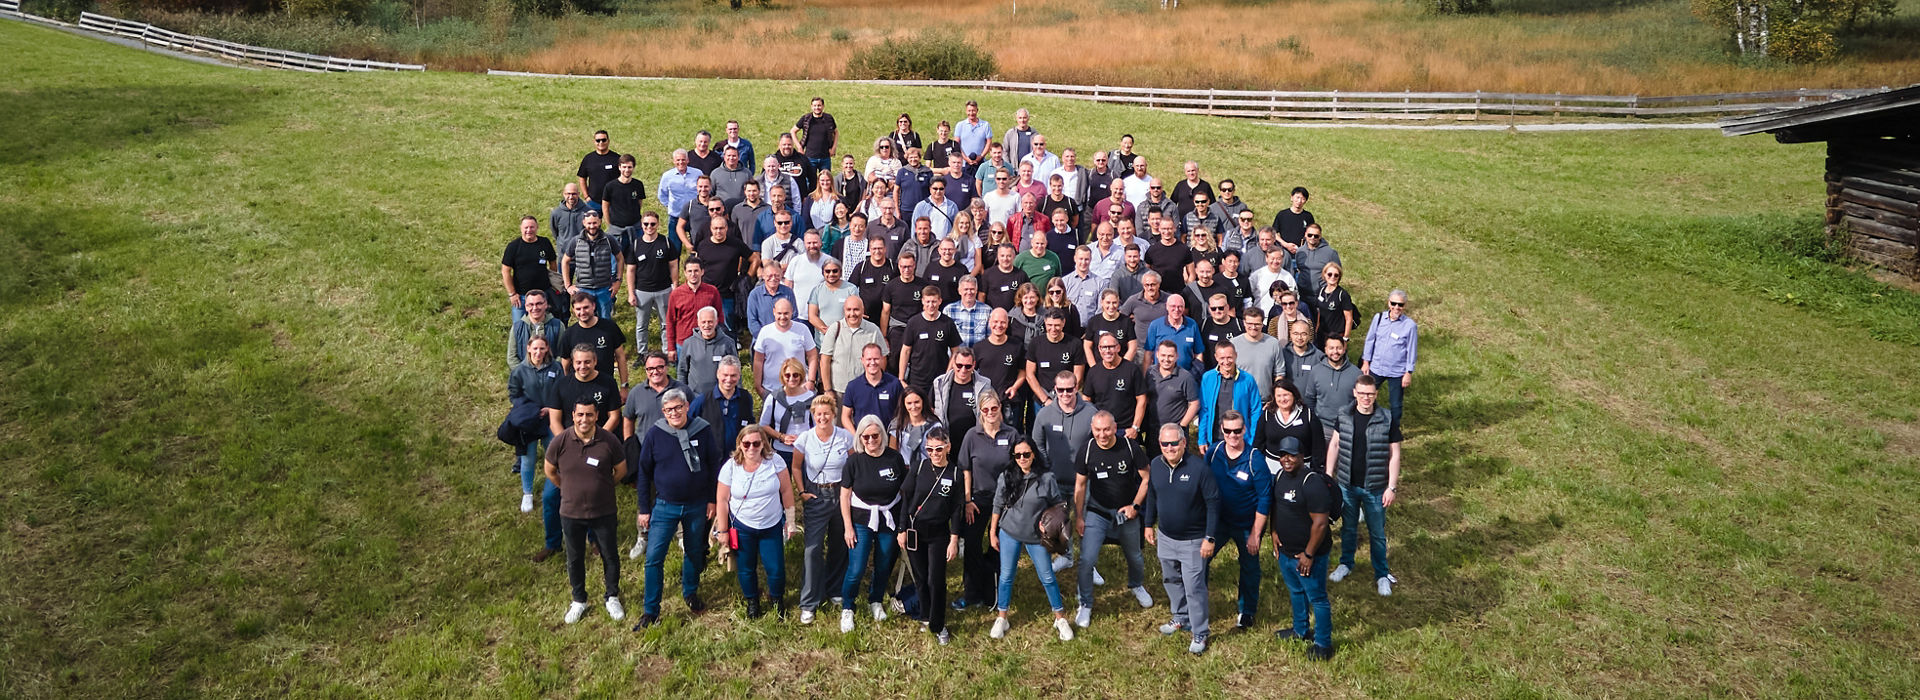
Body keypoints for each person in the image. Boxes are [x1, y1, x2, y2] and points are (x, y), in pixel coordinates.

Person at [631, 389, 722, 629]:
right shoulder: (655, 434)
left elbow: (714, 465)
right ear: (663, 412)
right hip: (664, 506)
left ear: (687, 407)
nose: (674, 413)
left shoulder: (702, 430)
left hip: (697, 505)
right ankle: (651, 610)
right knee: (654, 558)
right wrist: (644, 508)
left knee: (693, 551)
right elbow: (644, 473)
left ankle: (690, 593)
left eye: (678, 407)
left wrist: (712, 499)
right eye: (669, 409)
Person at [536, 345, 623, 564]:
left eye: (587, 362)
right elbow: (555, 420)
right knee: (550, 496)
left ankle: (595, 540)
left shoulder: (607, 383)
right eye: (578, 362)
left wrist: (598, 440)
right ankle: (552, 543)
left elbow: (614, 416)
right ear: (572, 363)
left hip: (597, 446)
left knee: (594, 494)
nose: (582, 366)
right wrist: (565, 444)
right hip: (567, 448)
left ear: (595, 361)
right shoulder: (562, 385)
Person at [547, 397, 629, 625]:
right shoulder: (561, 441)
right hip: (571, 513)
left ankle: (612, 596)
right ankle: (579, 599)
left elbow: (621, 470)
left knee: (610, 555)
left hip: (604, 511)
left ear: (597, 416)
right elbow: (550, 470)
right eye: (580, 415)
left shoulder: (609, 440)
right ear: (573, 416)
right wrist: (567, 488)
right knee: (574, 558)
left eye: (589, 415)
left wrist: (604, 487)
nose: (585, 419)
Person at [1069, 411, 1153, 628]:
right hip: (1097, 512)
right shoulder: (1087, 450)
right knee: (1087, 560)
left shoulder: (1130, 448)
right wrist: (1079, 516)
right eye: (1098, 430)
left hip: (1126, 514)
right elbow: (1080, 485)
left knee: (1135, 556)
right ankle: (1085, 603)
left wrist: (1135, 506)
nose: (1102, 434)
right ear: (1092, 429)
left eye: (1107, 429)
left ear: (1115, 428)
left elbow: (1147, 478)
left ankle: (1136, 585)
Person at [987, 436, 1075, 641]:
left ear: (1034, 454)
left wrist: (1050, 522)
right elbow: (997, 504)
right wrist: (992, 532)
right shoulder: (1007, 476)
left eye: (1026, 454)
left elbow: (1058, 504)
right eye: (1017, 455)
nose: (1022, 458)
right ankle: (1002, 617)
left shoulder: (1047, 478)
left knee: (1047, 577)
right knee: (1006, 576)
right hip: (1009, 532)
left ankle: (1060, 618)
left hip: (1036, 537)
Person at [1144, 424, 1219, 655]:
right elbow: (1152, 496)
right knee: (1171, 579)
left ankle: (1200, 632)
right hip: (1166, 536)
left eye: (1174, 443)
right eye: (1164, 444)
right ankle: (1181, 617)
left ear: (1184, 443)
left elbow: (1213, 503)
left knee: (1194, 587)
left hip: (1194, 541)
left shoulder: (1199, 468)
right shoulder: (1156, 465)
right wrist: (1148, 524)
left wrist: (1210, 537)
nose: (1169, 448)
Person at [1327, 376, 1403, 597]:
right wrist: (1328, 476)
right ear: (1355, 393)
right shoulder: (1344, 414)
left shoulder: (1387, 418)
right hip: (1347, 485)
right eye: (1362, 393)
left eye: (1370, 393)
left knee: (1377, 533)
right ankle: (1346, 564)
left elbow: (1395, 455)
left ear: (1376, 394)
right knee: (1348, 528)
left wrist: (1391, 487)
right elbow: (1335, 444)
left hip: (1376, 487)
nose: (1366, 397)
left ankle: (1381, 574)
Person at [713, 425, 797, 619]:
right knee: (746, 568)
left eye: (756, 443)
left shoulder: (775, 461)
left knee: (776, 568)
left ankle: (777, 600)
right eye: (747, 444)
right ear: (740, 445)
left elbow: (786, 491)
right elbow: (722, 500)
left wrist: (791, 521)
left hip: (771, 525)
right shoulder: (730, 467)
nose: (751, 448)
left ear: (763, 444)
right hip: (743, 527)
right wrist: (723, 531)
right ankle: (752, 602)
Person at [839, 415, 909, 633]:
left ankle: (875, 600)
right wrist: (848, 527)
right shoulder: (854, 461)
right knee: (857, 567)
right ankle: (848, 606)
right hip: (861, 520)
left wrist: (903, 525)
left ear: (882, 435)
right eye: (866, 437)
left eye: (875, 436)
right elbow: (844, 496)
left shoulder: (894, 458)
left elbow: (904, 491)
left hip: (889, 519)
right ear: (860, 437)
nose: (871, 440)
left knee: (884, 564)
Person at [1268, 436, 1334, 660]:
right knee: (1296, 591)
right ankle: (1300, 630)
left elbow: (1321, 523)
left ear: (1302, 456)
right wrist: (1273, 532)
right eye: (1283, 455)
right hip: (1286, 552)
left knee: (1317, 598)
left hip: (1309, 555)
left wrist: (1308, 554)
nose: (1286, 459)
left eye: (1292, 455)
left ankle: (1323, 644)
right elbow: (1276, 507)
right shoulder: (1279, 476)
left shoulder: (1311, 483)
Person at [1203, 410, 1270, 630]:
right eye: (1228, 431)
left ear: (1245, 430)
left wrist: (1255, 534)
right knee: (1201, 560)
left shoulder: (1255, 459)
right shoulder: (1213, 453)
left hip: (1246, 524)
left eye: (1237, 431)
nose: (1233, 435)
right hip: (1219, 522)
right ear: (1221, 430)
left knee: (1249, 567)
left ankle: (1246, 611)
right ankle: (1199, 603)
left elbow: (1264, 498)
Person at [898, 427, 966, 644]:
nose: (934, 453)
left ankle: (939, 625)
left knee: (935, 580)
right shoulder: (918, 467)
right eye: (929, 449)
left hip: (938, 533)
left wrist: (954, 539)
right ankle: (925, 616)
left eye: (938, 449)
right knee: (920, 578)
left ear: (948, 447)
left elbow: (957, 509)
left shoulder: (955, 473)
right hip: (914, 531)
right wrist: (901, 529)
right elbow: (906, 500)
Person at [792, 395, 853, 623]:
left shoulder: (845, 437)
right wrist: (801, 491)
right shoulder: (805, 439)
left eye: (827, 413)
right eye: (818, 414)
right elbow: (796, 466)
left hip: (840, 494)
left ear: (834, 414)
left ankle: (834, 588)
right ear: (813, 415)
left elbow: (853, 465)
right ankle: (809, 601)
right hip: (816, 495)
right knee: (812, 549)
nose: (823, 417)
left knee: (839, 544)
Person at [956, 390, 1017, 609]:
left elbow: (1018, 468)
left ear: (1000, 408)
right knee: (972, 546)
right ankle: (972, 593)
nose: (990, 412)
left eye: (994, 408)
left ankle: (994, 592)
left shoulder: (1011, 434)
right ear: (980, 411)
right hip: (978, 500)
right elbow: (965, 469)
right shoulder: (972, 436)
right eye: (986, 409)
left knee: (998, 546)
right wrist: (967, 500)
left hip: (1004, 501)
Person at [510, 336, 562, 514]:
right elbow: (514, 394)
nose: (538, 352)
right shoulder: (519, 371)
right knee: (528, 458)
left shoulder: (556, 368)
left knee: (553, 455)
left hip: (551, 419)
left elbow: (561, 391)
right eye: (535, 348)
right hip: (530, 421)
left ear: (547, 349)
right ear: (528, 349)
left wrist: (550, 408)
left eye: (542, 348)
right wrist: (530, 410)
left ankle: (555, 488)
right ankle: (527, 493)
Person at [622, 353, 689, 477]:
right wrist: (629, 444)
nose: (655, 372)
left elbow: (693, 416)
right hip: (646, 454)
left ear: (667, 367)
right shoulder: (636, 392)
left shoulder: (682, 390)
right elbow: (628, 418)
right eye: (650, 369)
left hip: (677, 453)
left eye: (659, 367)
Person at [1361, 289, 1417, 431]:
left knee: (1396, 404)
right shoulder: (1378, 318)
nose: (1396, 307)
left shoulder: (1410, 326)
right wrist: (1366, 362)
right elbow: (1370, 340)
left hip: (1397, 372)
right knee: (1366, 396)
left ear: (1404, 306)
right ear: (1388, 303)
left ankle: (1393, 431)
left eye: (1400, 304)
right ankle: (1365, 424)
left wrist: (1408, 372)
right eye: (1394, 303)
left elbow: (1411, 350)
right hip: (1376, 368)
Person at [627, 211, 678, 355]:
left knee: (666, 324)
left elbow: (674, 265)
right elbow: (630, 270)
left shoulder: (666, 243)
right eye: (646, 224)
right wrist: (631, 293)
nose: (649, 227)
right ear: (641, 225)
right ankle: (642, 353)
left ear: (658, 224)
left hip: (664, 290)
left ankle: (667, 352)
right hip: (642, 291)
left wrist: (675, 286)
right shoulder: (635, 245)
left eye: (652, 224)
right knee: (641, 325)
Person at [1198, 342, 1263, 453]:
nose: (1226, 362)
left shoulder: (1247, 379)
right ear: (1216, 357)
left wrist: (1252, 440)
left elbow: (1256, 411)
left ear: (1236, 355)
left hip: (1240, 439)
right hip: (1215, 439)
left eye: (1229, 357)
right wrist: (1202, 439)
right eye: (1222, 358)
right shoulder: (1208, 378)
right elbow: (1204, 410)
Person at [693, 217, 754, 333]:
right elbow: (697, 266)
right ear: (711, 229)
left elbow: (754, 259)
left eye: (721, 228)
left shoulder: (736, 244)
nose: (718, 231)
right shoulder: (702, 245)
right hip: (706, 292)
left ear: (726, 228)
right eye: (715, 228)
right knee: (705, 324)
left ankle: (732, 342)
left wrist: (747, 278)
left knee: (728, 326)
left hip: (727, 293)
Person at [820, 296, 887, 399]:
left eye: (856, 309)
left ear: (863, 310)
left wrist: (876, 384)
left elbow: (882, 359)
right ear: (844, 310)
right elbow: (825, 361)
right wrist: (827, 390)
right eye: (849, 310)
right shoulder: (835, 329)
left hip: (865, 390)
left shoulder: (873, 330)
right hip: (838, 391)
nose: (852, 314)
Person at [1083, 334, 1148, 440]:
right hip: (1102, 431)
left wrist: (1135, 427)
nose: (1107, 351)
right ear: (1099, 349)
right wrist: (1094, 426)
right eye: (1104, 347)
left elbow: (1142, 399)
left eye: (1111, 347)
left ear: (1118, 348)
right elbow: (1086, 400)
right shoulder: (1093, 372)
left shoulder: (1132, 370)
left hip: (1126, 430)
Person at [971, 308, 1026, 433]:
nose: (999, 325)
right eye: (995, 322)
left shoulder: (1016, 346)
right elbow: (972, 372)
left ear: (1007, 324)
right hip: (985, 403)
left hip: (1008, 401)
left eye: (1002, 322)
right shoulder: (979, 347)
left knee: (1010, 437)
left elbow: (1023, 371)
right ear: (990, 323)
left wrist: (1015, 387)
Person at [559, 292, 629, 389]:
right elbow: (565, 366)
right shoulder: (569, 334)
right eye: (578, 309)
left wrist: (624, 386)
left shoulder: (609, 327)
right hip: (579, 388)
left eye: (586, 307)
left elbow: (620, 357)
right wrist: (567, 387)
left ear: (593, 306)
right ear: (573, 310)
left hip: (606, 387)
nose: (582, 312)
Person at [752, 297, 818, 399]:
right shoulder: (765, 331)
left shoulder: (802, 329)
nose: (782, 317)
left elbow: (812, 356)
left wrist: (811, 381)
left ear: (792, 312)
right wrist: (758, 387)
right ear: (774, 312)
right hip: (771, 389)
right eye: (779, 313)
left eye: (786, 313)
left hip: (799, 388)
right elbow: (758, 360)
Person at [563, 211, 624, 321]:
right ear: (584, 223)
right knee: (585, 320)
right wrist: (568, 285)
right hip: (583, 288)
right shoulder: (576, 241)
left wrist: (618, 281)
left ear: (600, 222)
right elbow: (565, 261)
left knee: (605, 321)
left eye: (595, 223)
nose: (592, 226)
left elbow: (620, 258)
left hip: (604, 288)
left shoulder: (609, 240)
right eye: (589, 223)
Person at [503, 215, 560, 330]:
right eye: (526, 227)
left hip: (543, 295)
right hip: (521, 297)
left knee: (544, 328)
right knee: (519, 329)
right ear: (521, 228)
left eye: (532, 227)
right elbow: (505, 271)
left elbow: (553, 263)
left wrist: (552, 281)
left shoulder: (544, 243)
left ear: (537, 227)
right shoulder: (513, 246)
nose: (529, 230)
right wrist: (512, 294)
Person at [1259, 380, 1326, 475]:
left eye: (1286, 395)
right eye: (1279, 396)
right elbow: (1259, 443)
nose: (1282, 399)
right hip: (1271, 469)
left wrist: (1317, 470)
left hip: (1301, 470)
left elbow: (1318, 447)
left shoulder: (1308, 416)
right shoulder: (1267, 415)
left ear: (1294, 395)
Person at [1302, 336, 1361, 441]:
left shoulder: (1356, 373)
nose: (1335, 351)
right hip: (1322, 428)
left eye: (1339, 348)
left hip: (1347, 428)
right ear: (1325, 350)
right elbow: (1310, 398)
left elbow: (1360, 402)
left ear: (1344, 349)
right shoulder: (1316, 371)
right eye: (1331, 348)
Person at [762, 357, 818, 467]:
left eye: (795, 375)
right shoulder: (774, 398)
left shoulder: (811, 398)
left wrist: (803, 438)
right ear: (782, 377)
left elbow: (818, 426)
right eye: (787, 375)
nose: (791, 378)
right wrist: (781, 436)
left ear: (801, 375)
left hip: (805, 449)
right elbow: (763, 425)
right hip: (780, 450)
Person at [690, 357, 754, 453]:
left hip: (739, 456)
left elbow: (750, 425)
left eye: (733, 375)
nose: (729, 379)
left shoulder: (745, 398)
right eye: (725, 375)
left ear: (739, 376)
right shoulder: (703, 400)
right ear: (718, 374)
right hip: (712, 457)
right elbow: (688, 423)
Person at [673, 307, 735, 398]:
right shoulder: (689, 343)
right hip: (695, 397)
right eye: (703, 322)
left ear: (716, 322)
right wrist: (682, 394)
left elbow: (735, 371)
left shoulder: (727, 343)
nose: (707, 325)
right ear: (698, 322)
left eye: (710, 322)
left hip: (721, 397)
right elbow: (682, 372)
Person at [841, 343, 904, 432]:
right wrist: (856, 436)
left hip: (888, 437)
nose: (872, 362)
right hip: (863, 437)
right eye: (869, 359)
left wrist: (894, 435)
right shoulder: (853, 386)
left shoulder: (894, 384)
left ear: (882, 359)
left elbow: (902, 413)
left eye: (876, 359)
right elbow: (845, 417)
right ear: (862, 360)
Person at [665, 258, 723, 352]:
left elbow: (719, 317)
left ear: (702, 272)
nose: (693, 274)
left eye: (696, 271)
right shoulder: (676, 294)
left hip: (707, 342)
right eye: (689, 271)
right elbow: (670, 321)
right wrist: (671, 348)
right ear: (685, 273)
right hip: (683, 343)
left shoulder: (712, 292)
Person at [1232, 306, 1283, 408]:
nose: (1253, 327)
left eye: (1257, 324)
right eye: (1250, 324)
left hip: (1265, 402)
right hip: (1239, 401)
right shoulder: (1233, 344)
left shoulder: (1273, 343)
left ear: (1262, 324)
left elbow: (1279, 373)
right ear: (1244, 323)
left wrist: (1274, 398)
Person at [1145, 340, 1200, 434]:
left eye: (1170, 356)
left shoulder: (1185, 377)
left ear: (1176, 356)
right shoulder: (1150, 372)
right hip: (1153, 430)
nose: (1166, 359)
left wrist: (1181, 426)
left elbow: (1195, 404)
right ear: (1157, 355)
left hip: (1175, 432)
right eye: (1163, 355)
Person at [658, 150, 702, 257]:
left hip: (694, 216)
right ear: (674, 161)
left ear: (688, 160)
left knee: (697, 247)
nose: (681, 162)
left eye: (683, 160)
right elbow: (662, 194)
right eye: (678, 160)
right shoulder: (667, 176)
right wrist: (670, 205)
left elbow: (703, 190)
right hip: (676, 217)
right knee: (674, 249)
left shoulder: (697, 173)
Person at [601, 155, 649, 255]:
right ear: (619, 167)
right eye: (624, 167)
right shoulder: (610, 186)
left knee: (638, 258)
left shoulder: (638, 185)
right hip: (616, 231)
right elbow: (605, 206)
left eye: (629, 167)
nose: (627, 170)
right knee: (615, 261)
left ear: (633, 168)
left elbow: (639, 203)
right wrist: (609, 225)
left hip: (635, 229)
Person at [880, 252, 925, 351]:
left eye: (909, 267)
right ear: (899, 266)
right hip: (898, 328)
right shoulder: (891, 286)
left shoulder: (923, 285)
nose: (906, 270)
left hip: (918, 328)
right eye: (903, 267)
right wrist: (884, 336)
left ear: (914, 266)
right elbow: (885, 311)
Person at [1144, 293, 1201, 373]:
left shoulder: (1192, 325)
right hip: (1161, 376)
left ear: (1184, 308)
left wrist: (1197, 373)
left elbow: (1198, 353)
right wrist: (1146, 376)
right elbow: (1148, 353)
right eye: (1173, 306)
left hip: (1186, 375)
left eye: (1180, 306)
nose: (1176, 309)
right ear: (1167, 307)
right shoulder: (1155, 325)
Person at [509, 289, 565, 370]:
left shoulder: (558, 325)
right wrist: (523, 373)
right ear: (526, 307)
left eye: (539, 304)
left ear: (546, 304)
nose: (535, 308)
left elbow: (562, 354)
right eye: (531, 305)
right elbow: (512, 357)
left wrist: (551, 371)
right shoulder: (517, 327)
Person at [1082, 289, 1137, 363]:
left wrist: (1123, 365)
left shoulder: (1126, 321)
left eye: (1114, 303)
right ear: (1102, 302)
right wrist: (1093, 366)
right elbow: (1087, 346)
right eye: (1108, 302)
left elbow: (1132, 346)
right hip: (1099, 366)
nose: (1111, 306)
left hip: (1121, 365)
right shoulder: (1094, 321)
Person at [1195, 291, 1245, 372]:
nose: (1217, 311)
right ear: (1209, 309)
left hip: (1233, 372)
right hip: (1210, 372)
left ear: (1227, 307)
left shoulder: (1239, 325)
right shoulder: (1203, 325)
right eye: (1213, 308)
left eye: (1221, 308)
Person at [889, 387, 940, 465]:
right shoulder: (897, 425)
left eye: (917, 402)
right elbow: (892, 452)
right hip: (904, 468)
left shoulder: (934, 426)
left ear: (923, 402)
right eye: (909, 403)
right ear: (904, 404)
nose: (913, 406)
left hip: (927, 468)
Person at [1313, 262, 1356, 348]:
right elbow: (1319, 312)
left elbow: (1349, 319)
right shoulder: (1320, 291)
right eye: (1330, 274)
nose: (1332, 277)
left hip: (1336, 336)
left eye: (1336, 275)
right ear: (1324, 275)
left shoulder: (1342, 295)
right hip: (1322, 334)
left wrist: (1345, 338)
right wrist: (1316, 329)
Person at [577, 130, 621, 212]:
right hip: (593, 202)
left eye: (604, 140)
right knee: (592, 221)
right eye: (598, 140)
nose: (601, 142)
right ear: (594, 142)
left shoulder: (617, 158)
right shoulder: (588, 159)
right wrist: (586, 197)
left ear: (608, 141)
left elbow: (624, 177)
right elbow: (582, 177)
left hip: (613, 202)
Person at [792, 97, 838, 173]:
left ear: (823, 106)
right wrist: (799, 147)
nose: (817, 108)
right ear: (811, 106)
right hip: (810, 158)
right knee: (809, 180)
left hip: (825, 158)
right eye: (815, 106)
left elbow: (836, 132)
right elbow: (793, 131)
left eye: (819, 105)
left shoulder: (829, 118)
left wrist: (833, 148)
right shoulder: (806, 119)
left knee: (826, 179)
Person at [943, 275, 991, 347]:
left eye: (972, 289)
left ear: (976, 290)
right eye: (966, 289)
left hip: (978, 353)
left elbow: (990, 337)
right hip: (957, 353)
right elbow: (945, 337)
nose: (969, 292)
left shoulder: (987, 310)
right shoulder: (949, 310)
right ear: (959, 291)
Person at [1295, 224, 1341, 298]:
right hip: (1302, 294)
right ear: (1305, 235)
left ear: (1320, 236)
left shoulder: (1330, 253)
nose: (1312, 237)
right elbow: (1299, 269)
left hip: (1322, 294)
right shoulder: (1300, 252)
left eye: (1316, 236)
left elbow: (1338, 273)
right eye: (1310, 235)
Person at [1061, 247, 1104, 325]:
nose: (1083, 262)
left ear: (1091, 259)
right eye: (1081, 259)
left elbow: (1100, 309)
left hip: (1090, 327)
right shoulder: (1065, 281)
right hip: (1068, 327)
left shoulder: (1100, 282)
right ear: (1075, 259)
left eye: (1086, 259)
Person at [980, 244, 1030, 310]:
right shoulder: (988, 274)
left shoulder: (1021, 275)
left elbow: (1027, 295)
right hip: (993, 314)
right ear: (997, 256)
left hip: (1014, 315)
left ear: (1014, 257)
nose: (1005, 259)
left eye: (1009, 256)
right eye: (1002, 256)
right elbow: (982, 295)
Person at [1280, 319, 1325, 391]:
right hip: (1289, 397)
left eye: (1304, 334)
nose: (1299, 337)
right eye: (1296, 333)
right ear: (1290, 334)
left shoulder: (1319, 356)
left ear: (1309, 335)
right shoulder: (1282, 354)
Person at [551, 183, 590, 258]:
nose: (571, 197)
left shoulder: (587, 212)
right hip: (563, 255)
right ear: (563, 194)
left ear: (578, 194)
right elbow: (555, 232)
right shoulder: (556, 213)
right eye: (568, 194)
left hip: (582, 256)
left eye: (574, 194)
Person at [956, 100, 993, 175]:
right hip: (964, 164)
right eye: (969, 111)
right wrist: (965, 158)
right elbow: (957, 144)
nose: (971, 113)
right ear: (966, 111)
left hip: (980, 164)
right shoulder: (960, 125)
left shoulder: (985, 125)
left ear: (977, 110)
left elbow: (989, 143)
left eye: (973, 110)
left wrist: (981, 156)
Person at [1271, 186, 1314, 251]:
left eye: (1303, 199)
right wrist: (1285, 244)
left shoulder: (1308, 216)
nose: (1299, 201)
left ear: (1305, 201)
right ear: (1292, 198)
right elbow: (1273, 233)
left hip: (1303, 251)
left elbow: (1313, 233)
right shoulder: (1282, 214)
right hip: (1284, 250)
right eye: (1297, 197)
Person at [711, 146, 752, 210]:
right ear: (724, 157)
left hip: (742, 210)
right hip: (721, 210)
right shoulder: (715, 173)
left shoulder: (747, 173)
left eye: (734, 156)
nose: (731, 158)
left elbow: (751, 191)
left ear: (738, 157)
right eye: (729, 155)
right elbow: (710, 193)